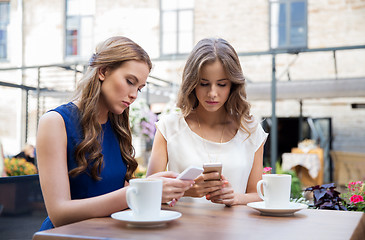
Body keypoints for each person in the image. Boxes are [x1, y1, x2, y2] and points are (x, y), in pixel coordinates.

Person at [36, 36, 193, 230]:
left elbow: (113, 191)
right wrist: (135, 192)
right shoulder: (55, 122)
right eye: (130, 81)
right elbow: (59, 214)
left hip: (110, 232)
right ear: (103, 71)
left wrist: (154, 189)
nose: (134, 94)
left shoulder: (117, 125)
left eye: (139, 88)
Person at [147, 38, 268, 206]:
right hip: (179, 229)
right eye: (204, 84)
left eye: (221, 84)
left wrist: (235, 198)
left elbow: (258, 195)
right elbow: (148, 191)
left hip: (237, 230)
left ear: (233, 85)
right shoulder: (169, 126)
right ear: (192, 83)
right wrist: (186, 190)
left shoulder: (250, 130)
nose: (212, 93)